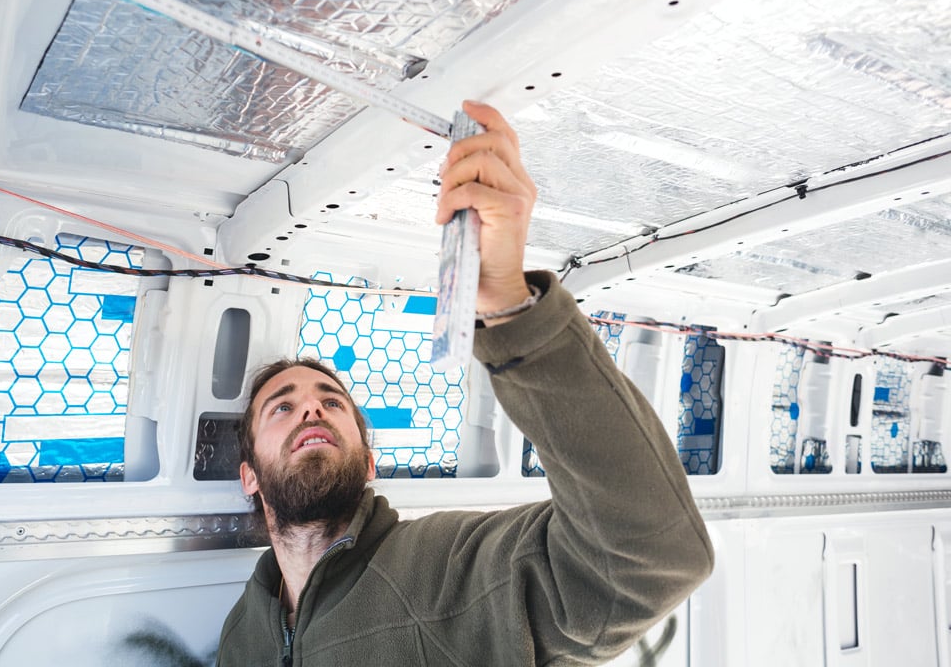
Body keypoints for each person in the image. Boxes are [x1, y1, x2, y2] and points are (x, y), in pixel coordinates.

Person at [216, 101, 714, 666]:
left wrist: (509, 308)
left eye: (332, 403)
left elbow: (647, 558)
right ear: (250, 477)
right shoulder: (242, 634)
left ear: (370, 464)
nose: (313, 410)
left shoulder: (448, 568)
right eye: (282, 408)